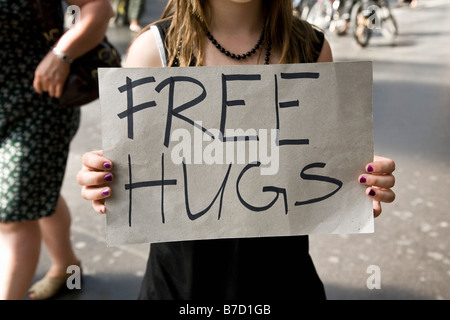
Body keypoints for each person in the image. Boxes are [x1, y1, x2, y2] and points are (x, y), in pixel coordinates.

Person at [77, 0, 396, 299]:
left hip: (283, 277)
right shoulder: (154, 50)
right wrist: (104, 180)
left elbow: (319, 164)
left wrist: (356, 183)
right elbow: (134, 171)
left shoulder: (310, 47)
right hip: (182, 280)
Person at [0, 0, 114, 300]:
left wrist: (61, 54)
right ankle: (65, 266)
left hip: (38, 102)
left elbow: (98, 8)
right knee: (33, 190)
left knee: (12, 218)